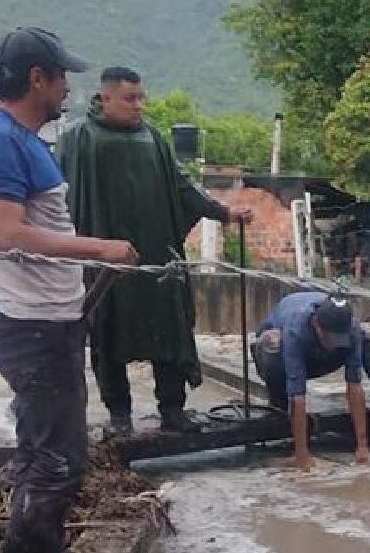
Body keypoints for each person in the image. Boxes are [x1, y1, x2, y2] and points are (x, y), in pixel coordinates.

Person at [0, 26, 139, 553]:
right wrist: (99, 249)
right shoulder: (0, 143)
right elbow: (5, 232)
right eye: (62, 75)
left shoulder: (27, 142)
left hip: (53, 322)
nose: (69, 85)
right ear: (36, 79)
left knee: (60, 458)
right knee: (50, 464)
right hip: (30, 327)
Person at [57, 67, 249, 438]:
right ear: (106, 97)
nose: (139, 106)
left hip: (157, 260)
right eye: (130, 99)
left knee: (169, 330)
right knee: (108, 335)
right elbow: (55, 197)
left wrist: (224, 212)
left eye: (141, 97)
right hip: (106, 263)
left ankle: (173, 410)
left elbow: (183, 187)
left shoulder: (152, 139)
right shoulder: (78, 139)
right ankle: (120, 417)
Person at [250, 291, 370, 470]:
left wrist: (362, 446)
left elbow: (354, 386)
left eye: (339, 339)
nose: (335, 343)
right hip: (281, 356)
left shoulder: (351, 328)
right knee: (272, 342)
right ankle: (278, 405)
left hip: (325, 358)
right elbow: (298, 396)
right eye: (331, 338)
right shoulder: (295, 329)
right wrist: (302, 455)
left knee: (369, 335)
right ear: (316, 325)